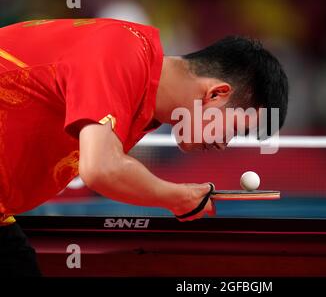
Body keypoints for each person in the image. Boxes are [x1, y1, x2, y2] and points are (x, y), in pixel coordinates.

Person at [0, 18, 289, 276]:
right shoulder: (120, 51)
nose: (224, 144)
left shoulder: (141, 103)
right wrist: (176, 197)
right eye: (235, 129)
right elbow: (100, 169)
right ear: (216, 93)